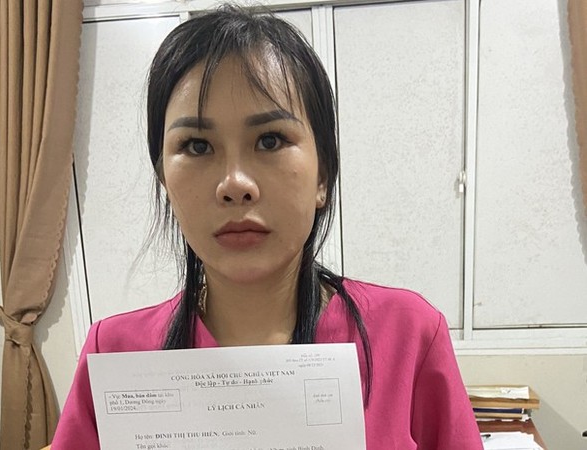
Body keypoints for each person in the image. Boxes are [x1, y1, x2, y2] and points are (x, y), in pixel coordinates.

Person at [52, 5, 483, 449]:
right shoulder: (115, 354)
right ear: (164, 181)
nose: (235, 184)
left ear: (323, 176)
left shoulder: (408, 335)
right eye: (197, 146)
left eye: (270, 140)